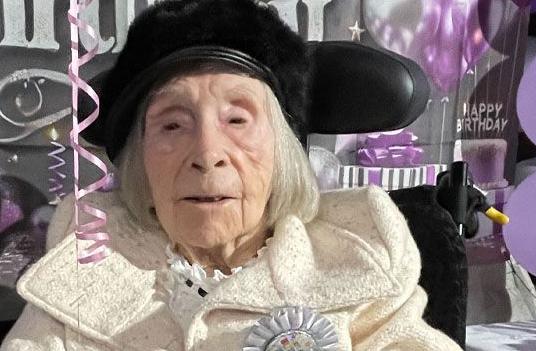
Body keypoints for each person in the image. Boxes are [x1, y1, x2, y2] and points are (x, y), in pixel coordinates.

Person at [0, 0, 462, 350]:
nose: (207, 154)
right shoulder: (89, 261)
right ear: (139, 158)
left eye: (238, 120)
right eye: (173, 125)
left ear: (281, 151)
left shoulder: (357, 257)